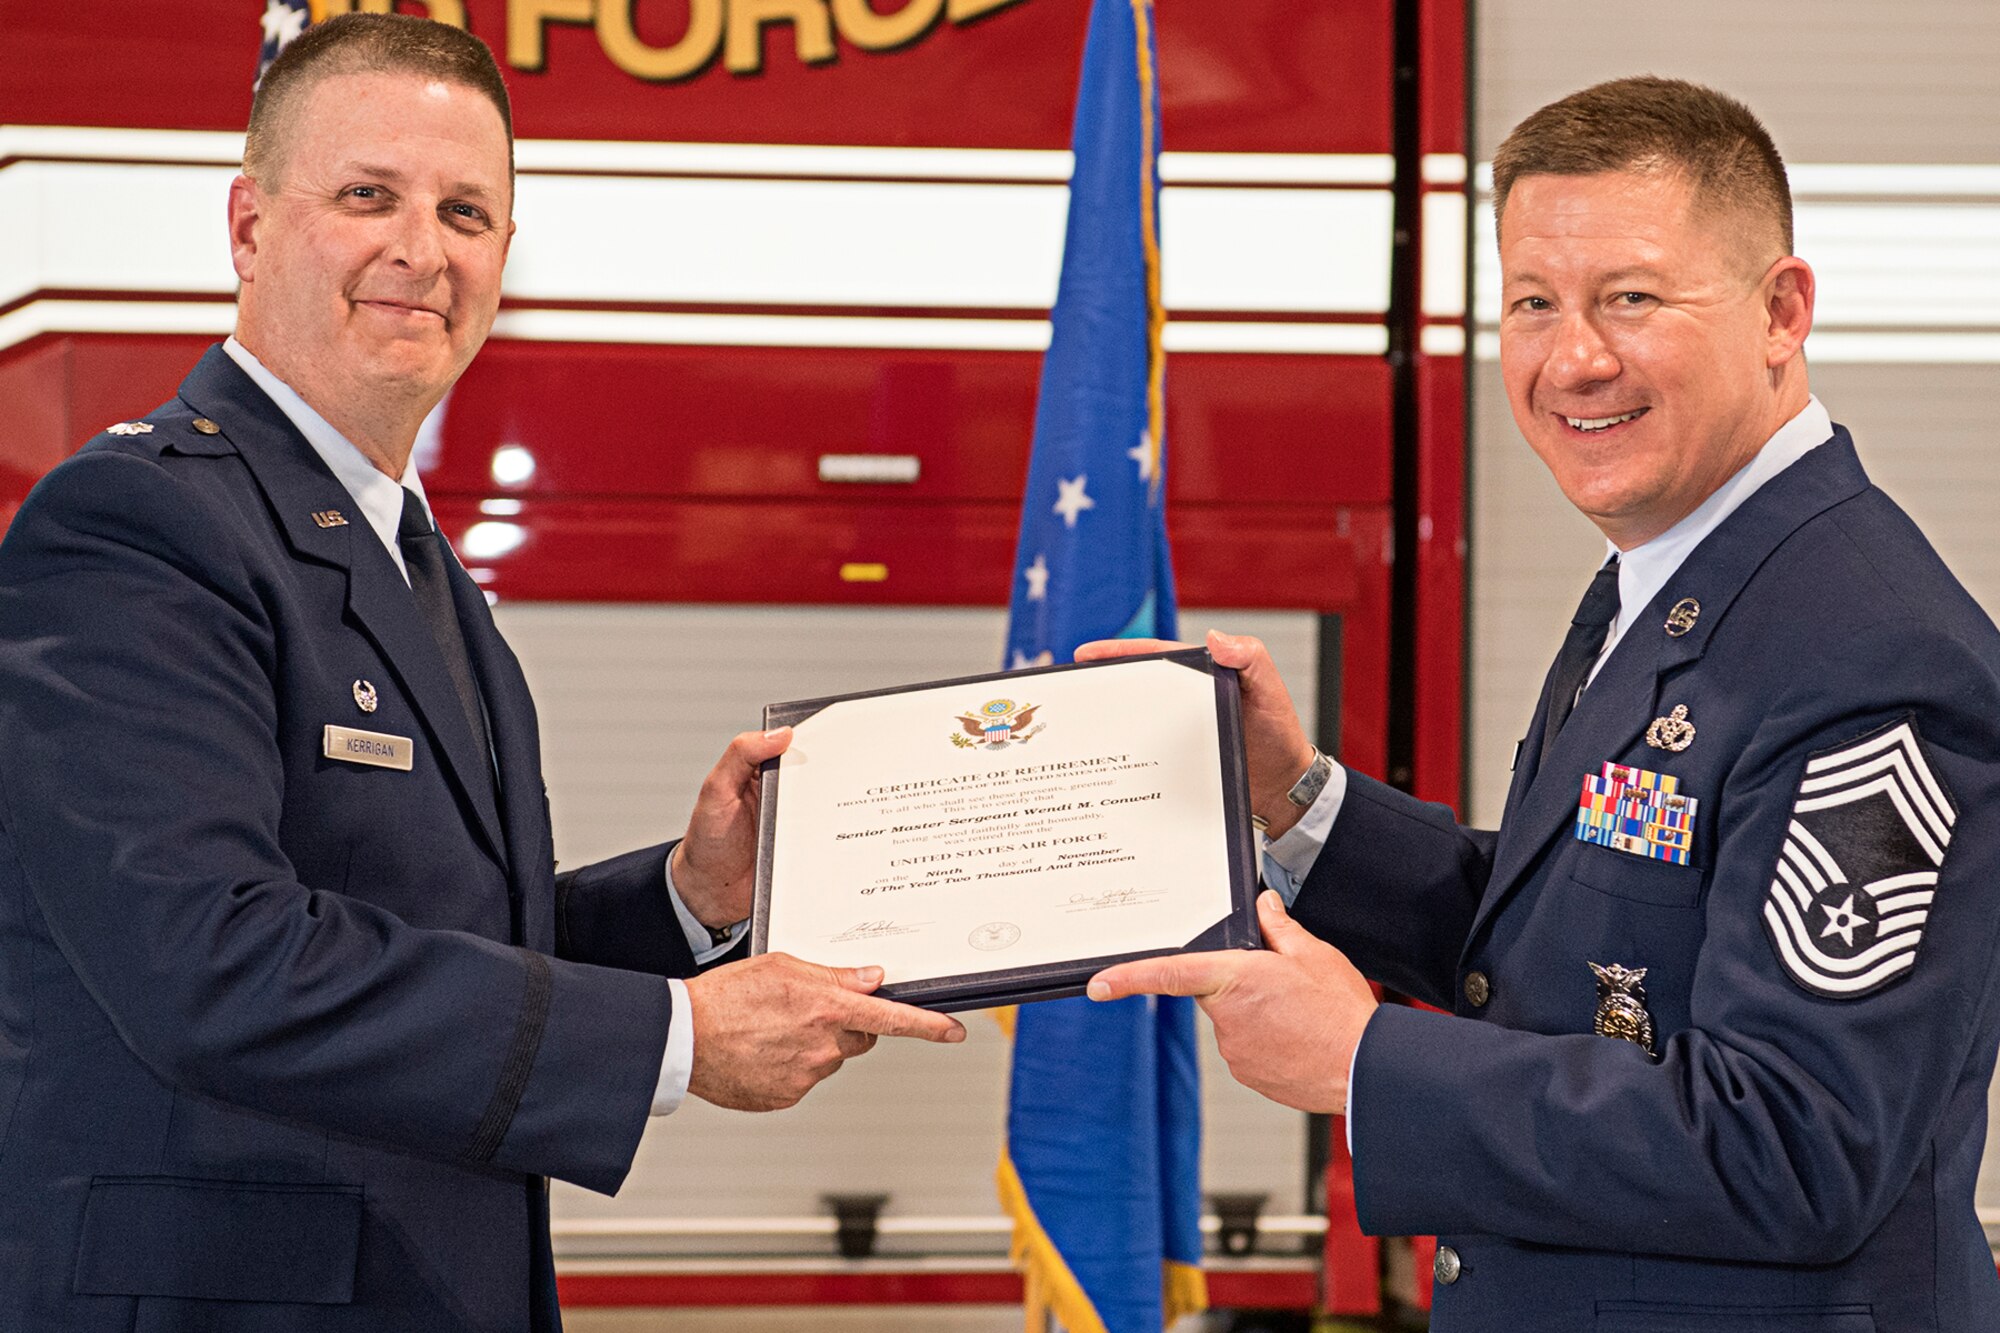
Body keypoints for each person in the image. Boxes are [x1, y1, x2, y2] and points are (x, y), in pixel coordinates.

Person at [0, 15, 962, 1331]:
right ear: (247, 226)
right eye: (366, 196)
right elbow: (212, 964)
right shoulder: (137, 525)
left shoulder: (410, 560)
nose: (420, 249)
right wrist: (678, 1038)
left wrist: (686, 900)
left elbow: (442, 942)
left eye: (466, 211)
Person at [1089, 76, 2000, 1330]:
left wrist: (1363, 1062)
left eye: (1630, 297)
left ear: (1780, 312)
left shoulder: (1873, 655)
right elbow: (1568, 949)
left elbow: (1797, 1143)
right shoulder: (1676, 572)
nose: (1572, 359)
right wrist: (1295, 801)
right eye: (1532, 302)